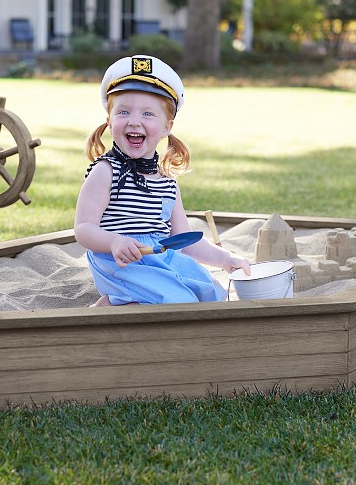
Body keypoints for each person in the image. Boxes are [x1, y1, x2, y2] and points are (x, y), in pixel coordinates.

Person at [74, 54, 251, 306]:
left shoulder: (167, 181)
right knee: (176, 300)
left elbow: (184, 241)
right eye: (123, 112)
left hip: (162, 258)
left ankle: (125, 301)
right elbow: (83, 229)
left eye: (148, 114)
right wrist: (114, 241)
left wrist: (225, 259)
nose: (134, 121)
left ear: (167, 127)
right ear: (110, 122)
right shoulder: (105, 171)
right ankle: (111, 304)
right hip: (122, 262)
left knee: (212, 294)